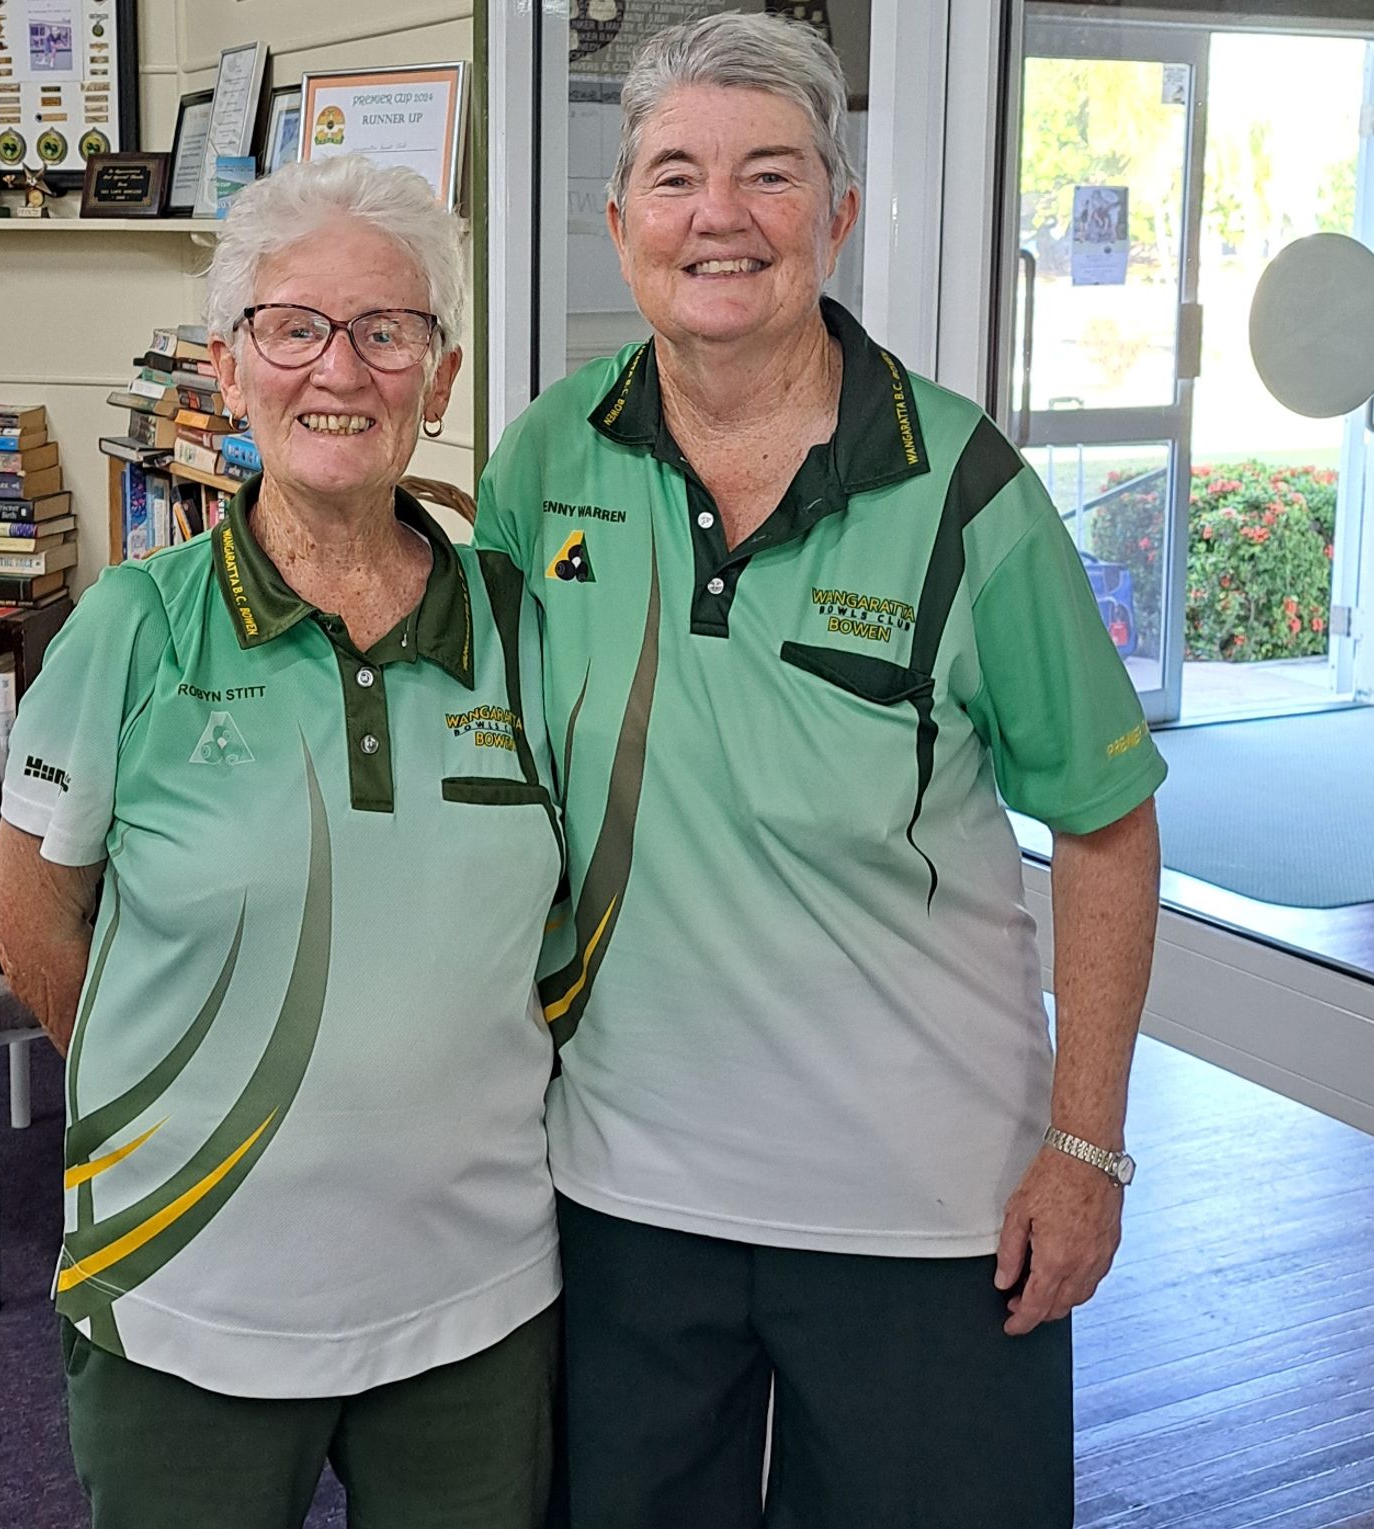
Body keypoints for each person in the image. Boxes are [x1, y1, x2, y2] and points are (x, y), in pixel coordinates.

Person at [474, 13, 1165, 1528]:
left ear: (838, 213)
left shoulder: (970, 491)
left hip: (930, 1209)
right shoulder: (541, 466)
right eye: (674, 177)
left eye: (769, 174)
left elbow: (1109, 826)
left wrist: (1087, 1144)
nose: (718, 215)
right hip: (621, 1191)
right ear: (618, 223)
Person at [0, 155, 563, 1529]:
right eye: (294, 326)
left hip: (473, 1303)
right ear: (232, 370)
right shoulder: (132, 626)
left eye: (388, 331)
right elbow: (30, 922)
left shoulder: (527, 627)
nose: (340, 370)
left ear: (441, 374)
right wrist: (193, 1096)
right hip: (191, 1287)